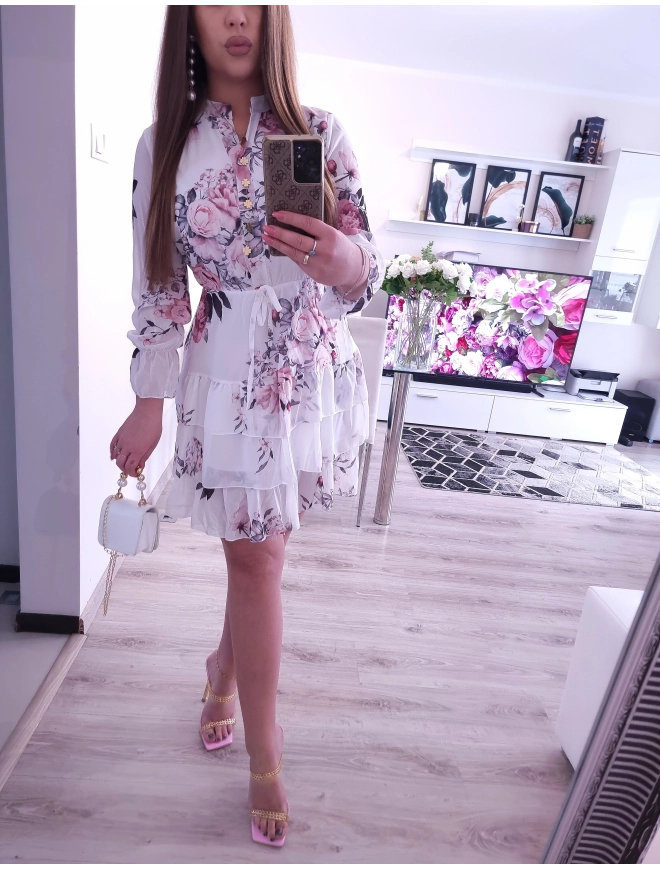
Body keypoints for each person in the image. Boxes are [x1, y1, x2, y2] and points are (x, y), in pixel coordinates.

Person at [108, 3, 383, 849]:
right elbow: (159, 283)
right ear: (187, 19)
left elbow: (363, 271)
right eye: (213, 0)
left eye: (253, 1)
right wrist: (148, 399)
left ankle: (223, 670)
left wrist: (343, 260)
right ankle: (267, 750)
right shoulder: (164, 144)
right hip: (225, 370)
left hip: (305, 366)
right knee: (256, 556)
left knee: (264, 552)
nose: (235, 17)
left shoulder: (316, 132)